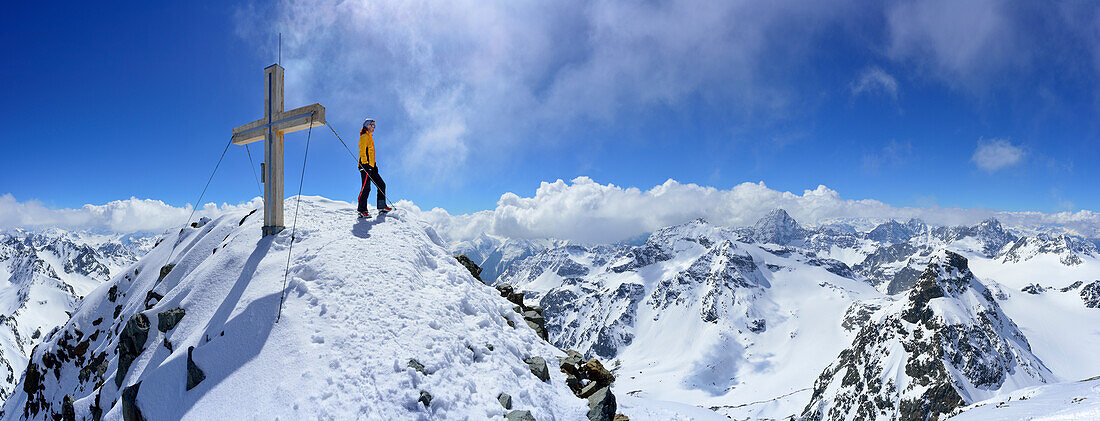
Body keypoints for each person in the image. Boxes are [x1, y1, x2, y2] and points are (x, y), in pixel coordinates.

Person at [357, 118, 391, 217]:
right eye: (372, 125)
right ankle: (362, 210)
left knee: (381, 184)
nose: (374, 127)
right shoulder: (364, 136)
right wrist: (365, 164)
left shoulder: (369, 136)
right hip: (365, 165)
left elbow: (371, 153)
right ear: (367, 125)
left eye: (374, 126)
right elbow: (362, 151)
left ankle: (382, 206)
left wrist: (374, 165)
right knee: (366, 188)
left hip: (372, 166)